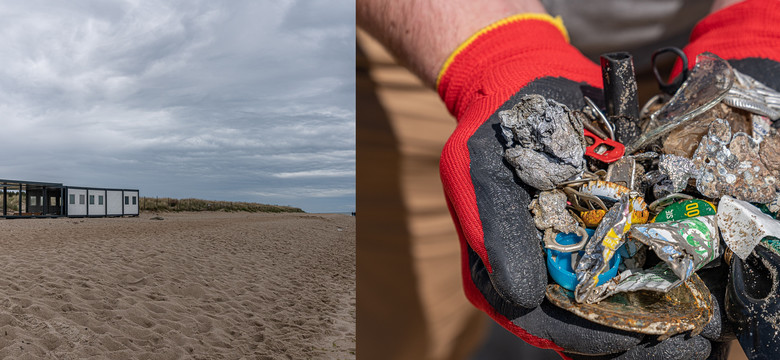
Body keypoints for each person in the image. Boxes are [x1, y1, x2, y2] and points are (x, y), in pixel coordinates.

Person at [357, 0, 779, 358]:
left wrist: (762, 31)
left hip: (705, 51)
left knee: (742, 322)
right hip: (434, 40)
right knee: (402, 322)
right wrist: (499, 51)